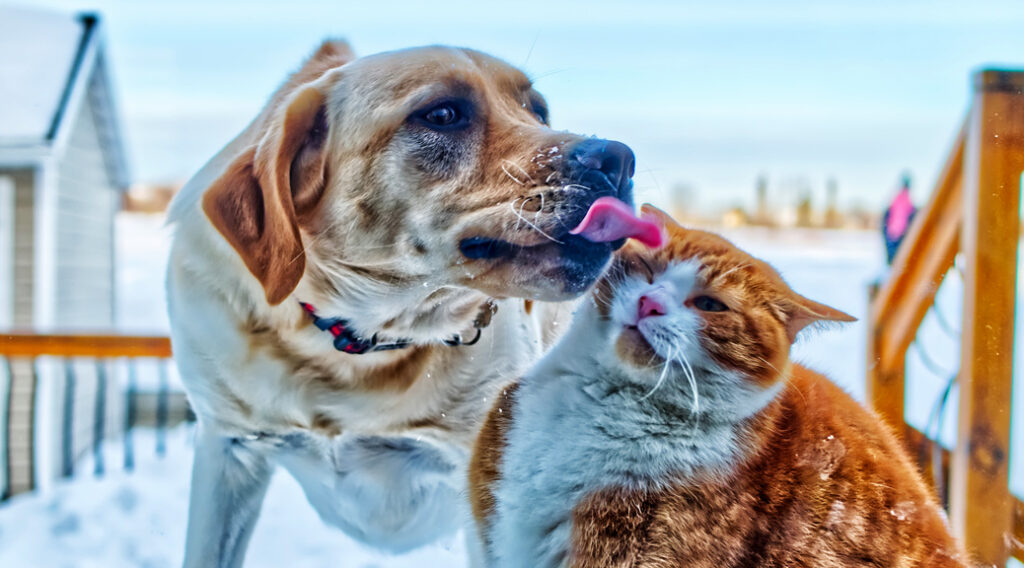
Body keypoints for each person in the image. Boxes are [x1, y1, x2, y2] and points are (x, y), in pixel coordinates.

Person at [882, 173, 917, 264]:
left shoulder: (899, 197)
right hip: (897, 235)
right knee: (896, 260)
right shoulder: (903, 198)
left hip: (895, 234)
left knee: (895, 259)